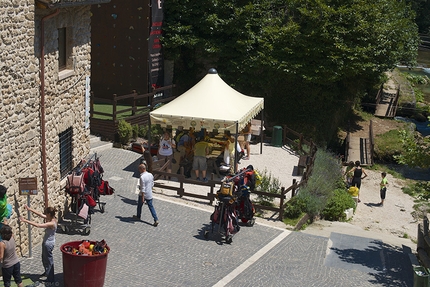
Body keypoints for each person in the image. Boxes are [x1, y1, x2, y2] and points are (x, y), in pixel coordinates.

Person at [19, 205, 57, 283]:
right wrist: (30, 209)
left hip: (48, 244)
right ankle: (47, 272)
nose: (45, 215)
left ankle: (50, 278)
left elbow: (38, 225)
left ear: (49, 214)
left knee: (49, 260)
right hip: (46, 243)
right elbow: (40, 214)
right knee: (44, 258)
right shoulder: (51, 218)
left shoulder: (52, 223)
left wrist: (25, 221)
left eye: (46, 214)